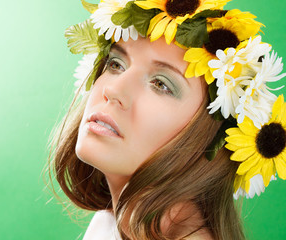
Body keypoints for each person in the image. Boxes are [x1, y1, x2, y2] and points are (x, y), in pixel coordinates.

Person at [48, 0, 286, 239]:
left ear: (212, 137)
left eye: (161, 84)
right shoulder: (107, 225)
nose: (113, 90)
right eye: (115, 64)